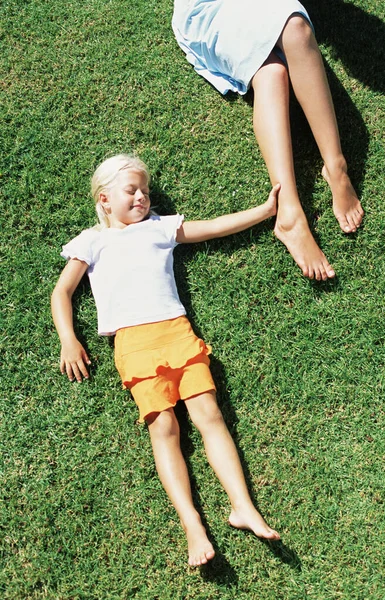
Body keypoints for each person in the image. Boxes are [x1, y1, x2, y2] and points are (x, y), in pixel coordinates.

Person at [51, 154, 281, 567]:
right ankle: (193, 524)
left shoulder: (160, 227)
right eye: (131, 191)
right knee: (165, 428)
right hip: (134, 345)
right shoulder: (92, 241)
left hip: (177, 332)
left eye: (145, 191)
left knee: (210, 415)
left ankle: (242, 506)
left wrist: (263, 211)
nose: (141, 197)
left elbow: (211, 228)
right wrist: (70, 339)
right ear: (104, 200)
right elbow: (62, 292)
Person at [172, 0, 364, 280]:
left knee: (296, 29)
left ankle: (336, 167)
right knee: (271, 72)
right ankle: (289, 211)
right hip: (208, 8)